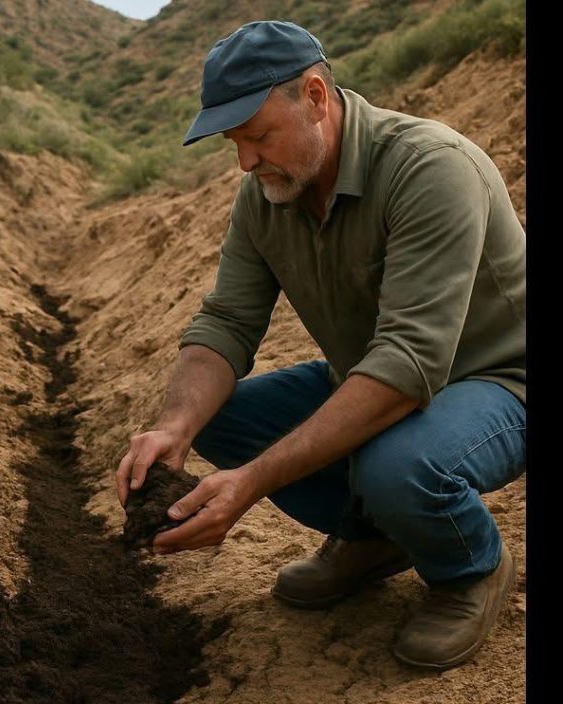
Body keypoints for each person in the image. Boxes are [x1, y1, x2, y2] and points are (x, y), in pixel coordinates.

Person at [116, 20, 525, 671]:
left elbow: (410, 361)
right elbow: (226, 322)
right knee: (214, 417)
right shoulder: (267, 195)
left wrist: (252, 483)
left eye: (257, 136)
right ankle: (372, 538)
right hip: (368, 375)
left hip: (496, 381)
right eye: (233, 142)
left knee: (399, 466)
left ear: (314, 96)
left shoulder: (428, 168)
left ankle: (468, 569)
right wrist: (174, 427)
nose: (245, 161)